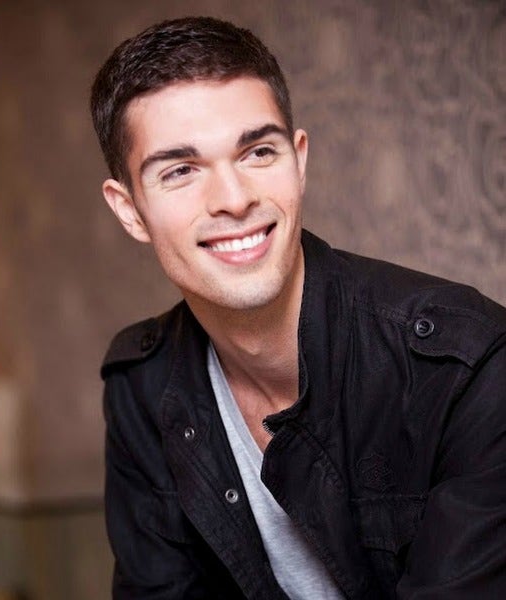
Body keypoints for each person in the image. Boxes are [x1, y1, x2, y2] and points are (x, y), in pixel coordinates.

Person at [90, 16, 506, 599]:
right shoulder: (142, 386)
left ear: (299, 160)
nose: (234, 199)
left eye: (258, 152)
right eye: (180, 171)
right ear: (130, 210)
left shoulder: (466, 368)